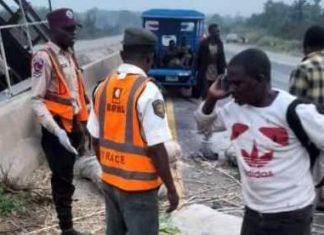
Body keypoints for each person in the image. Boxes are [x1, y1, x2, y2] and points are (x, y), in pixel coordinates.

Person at [195, 48, 320, 235]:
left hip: (293, 214)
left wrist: (320, 181)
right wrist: (212, 98)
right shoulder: (233, 110)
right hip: (254, 213)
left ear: (260, 80)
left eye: (238, 84)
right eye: (230, 83)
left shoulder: (294, 110)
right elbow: (204, 126)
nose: (231, 90)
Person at [87, 27, 179, 235]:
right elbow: (156, 148)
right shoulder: (148, 91)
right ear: (150, 58)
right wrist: (171, 189)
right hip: (139, 188)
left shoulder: (101, 88)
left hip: (110, 181)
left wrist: (110, 168)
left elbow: (94, 139)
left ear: (122, 55)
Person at [31, 8, 90, 235]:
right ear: (51, 30)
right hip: (56, 129)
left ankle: (68, 225)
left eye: (74, 29)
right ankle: (67, 228)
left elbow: (75, 95)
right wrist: (57, 131)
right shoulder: (43, 57)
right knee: (62, 179)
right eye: (68, 30)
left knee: (68, 174)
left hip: (73, 126)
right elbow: (36, 100)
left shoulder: (69, 55)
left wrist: (82, 128)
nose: (73, 34)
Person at [289, 25, 324, 210]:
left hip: (311, 136)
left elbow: (291, 108)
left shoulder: (303, 68)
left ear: (306, 45)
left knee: (308, 180)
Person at [195, 23, 226, 99]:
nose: (218, 33)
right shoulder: (204, 43)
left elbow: (222, 56)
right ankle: (204, 105)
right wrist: (195, 70)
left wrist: (223, 68)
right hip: (205, 69)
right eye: (216, 31)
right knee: (205, 91)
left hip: (216, 69)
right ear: (210, 32)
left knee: (214, 90)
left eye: (218, 31)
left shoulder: (219, 43)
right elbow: (198, 57)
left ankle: (211, 107)